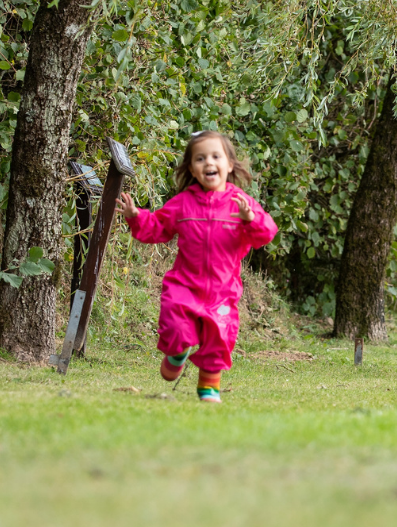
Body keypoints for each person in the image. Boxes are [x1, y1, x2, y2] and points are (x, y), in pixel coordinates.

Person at [116, 131, 278, 402]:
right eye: (200, 158)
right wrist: (136, 216)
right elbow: (158, 227)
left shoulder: (241, 203)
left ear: (229, 165)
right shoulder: (183, 202)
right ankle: (178, 352)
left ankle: (208, 387)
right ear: (192, 168)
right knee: (177, 327)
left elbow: (266, 233)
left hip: (222, 290)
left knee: (220, 338)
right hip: (184, 285)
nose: (208, 162)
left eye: (216, 156)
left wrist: (250, 219)